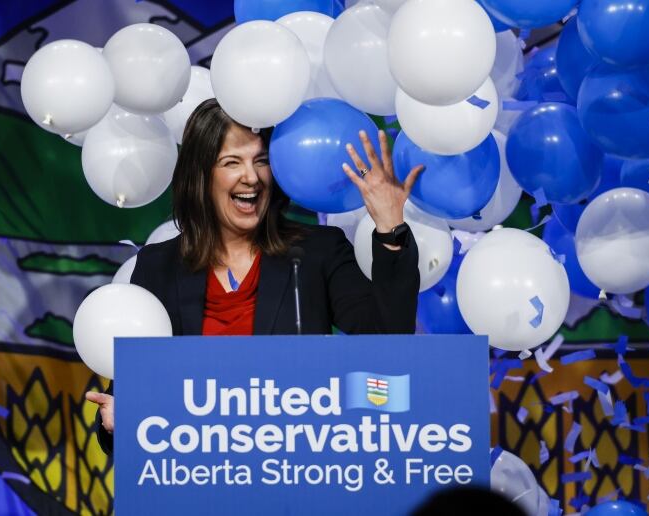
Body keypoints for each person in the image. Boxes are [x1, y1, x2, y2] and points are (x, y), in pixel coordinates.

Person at [86, 99, 424, 454]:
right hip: (196, 481)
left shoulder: (314, 253)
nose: (252, 176)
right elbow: (129, 403)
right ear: (201, 175)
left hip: (294, 478)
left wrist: (390, 228)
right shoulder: (159, 267)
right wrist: (117, 424)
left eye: (261, 161)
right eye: (232, 162)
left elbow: (388, 339)